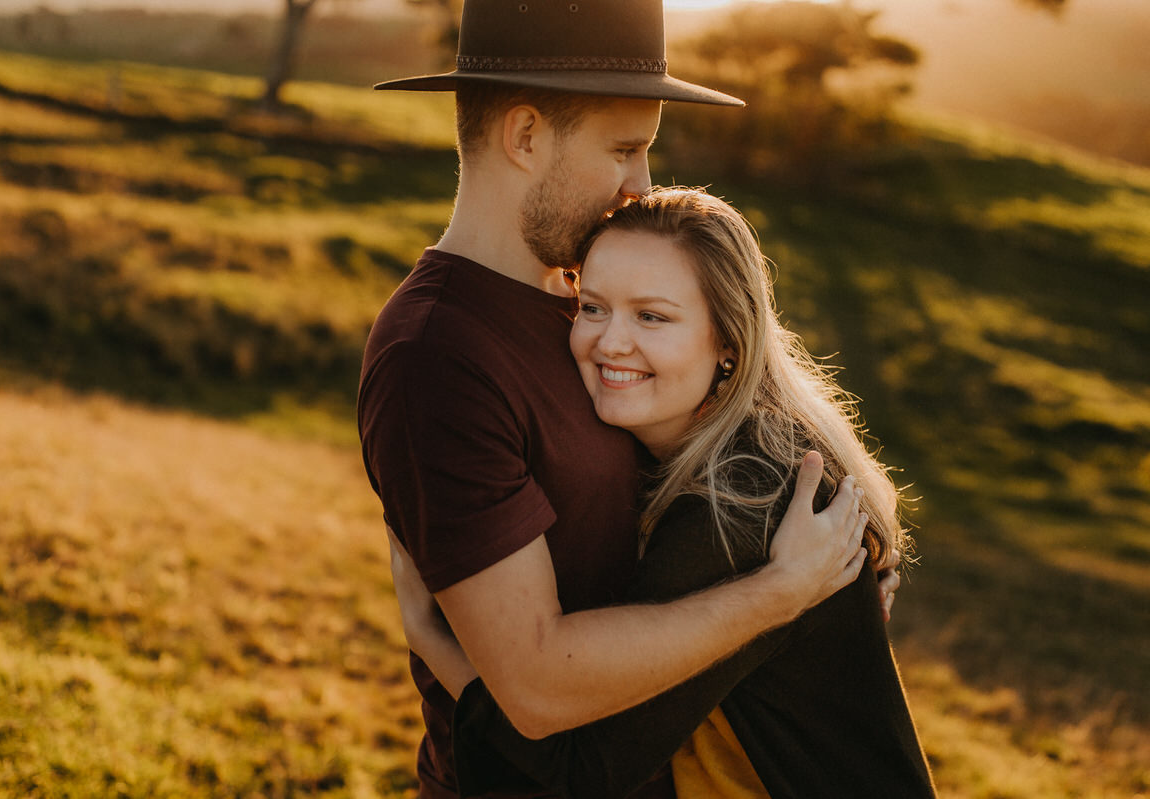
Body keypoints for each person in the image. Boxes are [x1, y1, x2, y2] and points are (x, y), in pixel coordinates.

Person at [358, 2, 900, 796]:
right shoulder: (438, 355)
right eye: (624, 149)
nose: (641, 184)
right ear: (526, 135)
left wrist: (836, 594)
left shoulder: (590, 294)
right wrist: (778, 598)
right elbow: (538, 687)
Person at [396, 188, 937, 798]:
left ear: (728, 343)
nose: (610, 342)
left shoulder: (741, 502)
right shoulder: (722, 441)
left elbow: (580, 770)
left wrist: (431, 637)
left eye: (651, 316)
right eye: (593, 307)